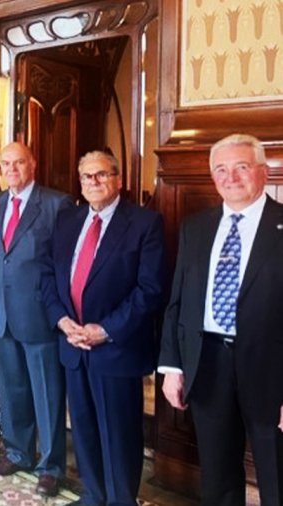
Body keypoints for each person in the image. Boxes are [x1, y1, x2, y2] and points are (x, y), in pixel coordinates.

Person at [159, 134, 283, 506]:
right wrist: (171, 366)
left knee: (276, 475)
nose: (231, 177)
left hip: (271, 373)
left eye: (241, 167)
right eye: (221, 170)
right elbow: (178, 301)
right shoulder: (196, 227)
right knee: (217, 478)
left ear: (262, 172)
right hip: (208, 364)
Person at [41, 150, 166, 506]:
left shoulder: (144, 224)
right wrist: (62, 321)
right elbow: (48, 275)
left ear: (119, 179)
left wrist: (104, 330)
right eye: (86, 177)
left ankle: (121, 501)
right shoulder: (67, 220)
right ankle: (93, 496)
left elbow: (150, 290)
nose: (93, 182)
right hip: (72, 344)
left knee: (118, 434)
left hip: (115, 347)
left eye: (101, 175)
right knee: (82, 428)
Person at [0, 142, 72, 497]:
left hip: (38, 314)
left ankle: (51, 466)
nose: (12, 169)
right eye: (6, 164)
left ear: (32, 164)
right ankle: (18, 451)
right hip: (3, 312)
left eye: (18, 162)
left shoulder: (56, 204)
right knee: (13, 388)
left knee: (47, 392)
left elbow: (62, 264)